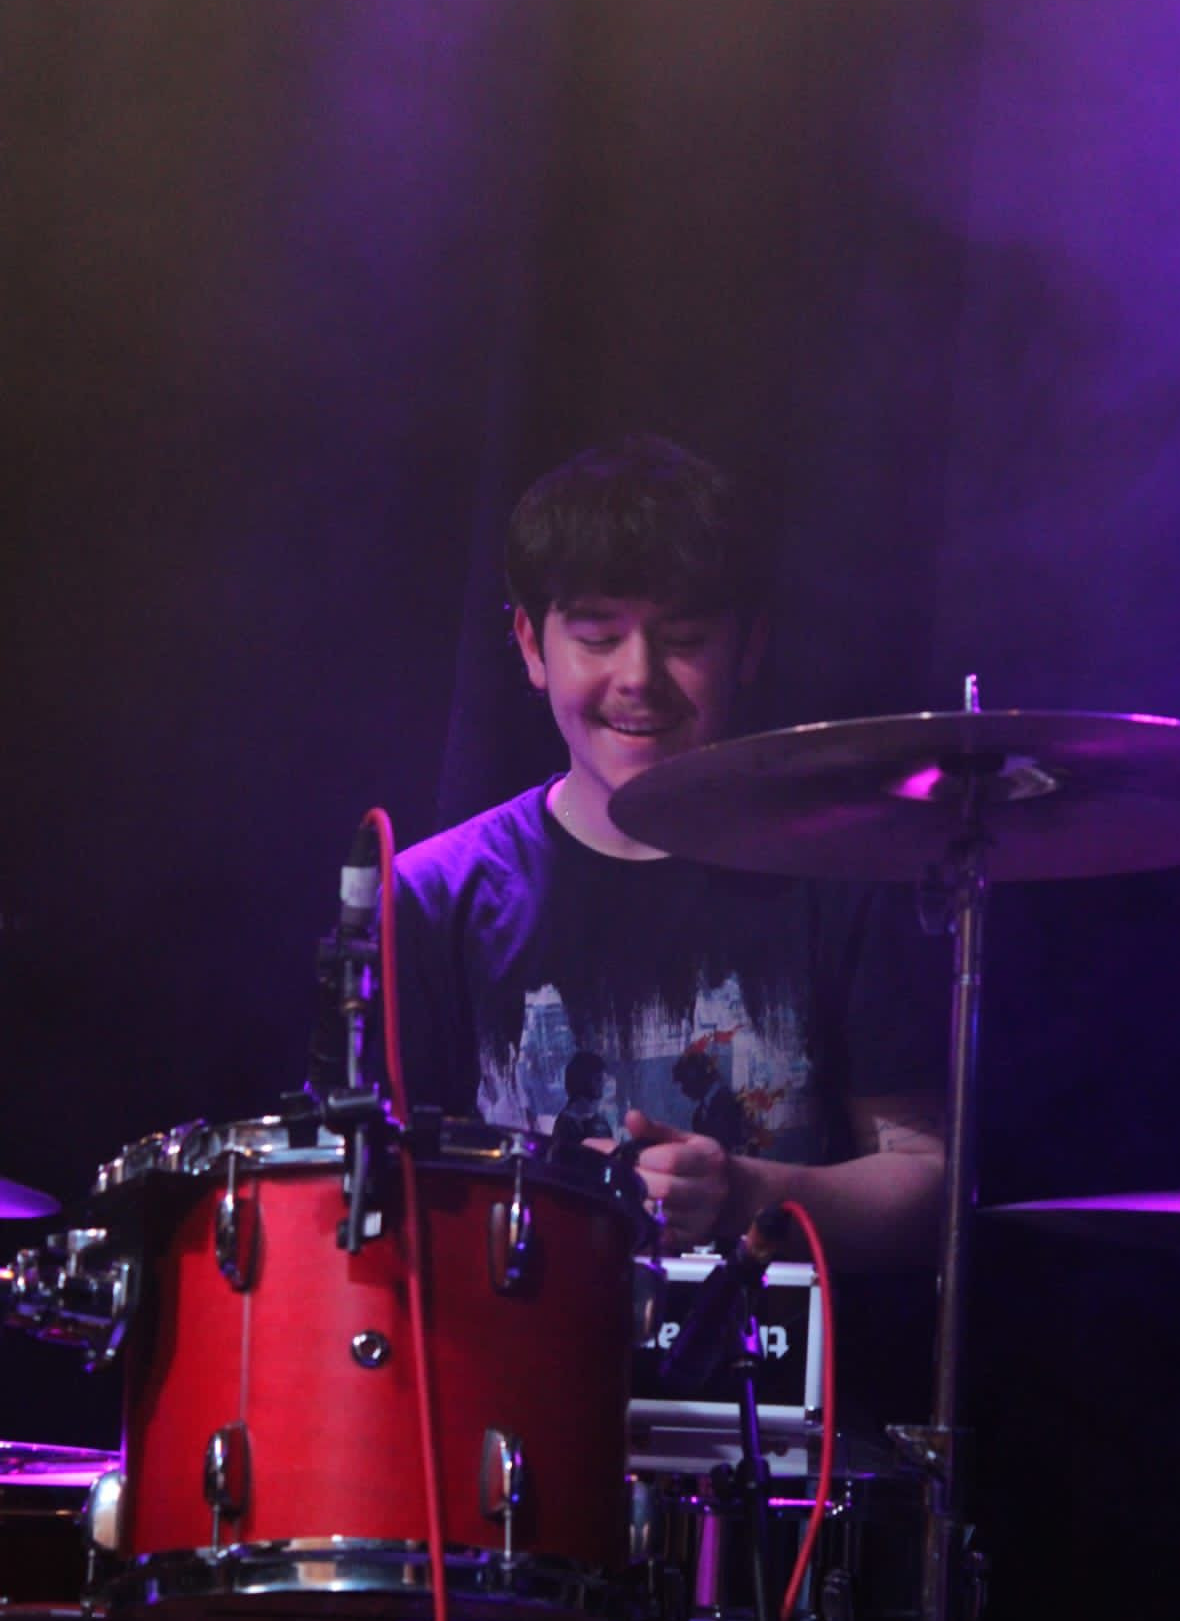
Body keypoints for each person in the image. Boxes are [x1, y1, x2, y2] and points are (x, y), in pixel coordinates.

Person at [393, 433, 945, 1276]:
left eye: (683, 638)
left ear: (747, 648)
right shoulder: (433, 896)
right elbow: (384, 1197)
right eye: (596, 636)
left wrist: (745, 1191)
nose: (637, 677)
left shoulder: (844, 878)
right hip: (516, 1347)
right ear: (532, 646)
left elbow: (925, 1176)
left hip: (771, 1357)